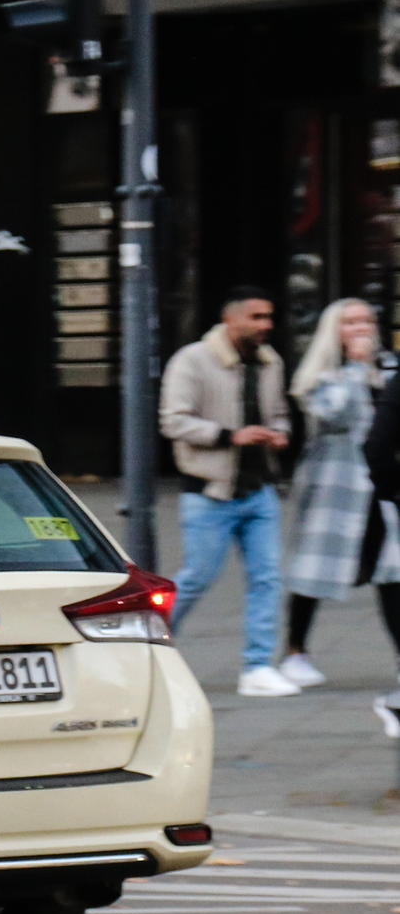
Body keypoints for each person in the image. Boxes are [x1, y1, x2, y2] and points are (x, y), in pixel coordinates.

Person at [160, 286, 296, 697]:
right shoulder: (192, 361)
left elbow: (279, 414)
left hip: (259, 490)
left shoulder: (271, 363)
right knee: (197, 577)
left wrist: (280, 435)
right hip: (209, 491)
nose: (265, 325)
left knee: (267, 577)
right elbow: (174, 421)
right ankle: (147, 646)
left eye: (268, 317)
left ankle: (258, 667)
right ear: (230, 318)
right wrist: (229, 436)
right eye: (256, 317)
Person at [279, 298, 400, 696]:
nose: (361, 328)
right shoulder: (322, 375)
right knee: (314, 569)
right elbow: (333, 414)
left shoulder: (388, 368)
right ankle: (295, 650)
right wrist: (356, 370)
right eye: (350, 322)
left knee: (392, 572)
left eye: (366, 320)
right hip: (336, 485)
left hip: (382, 487)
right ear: (335, 330)